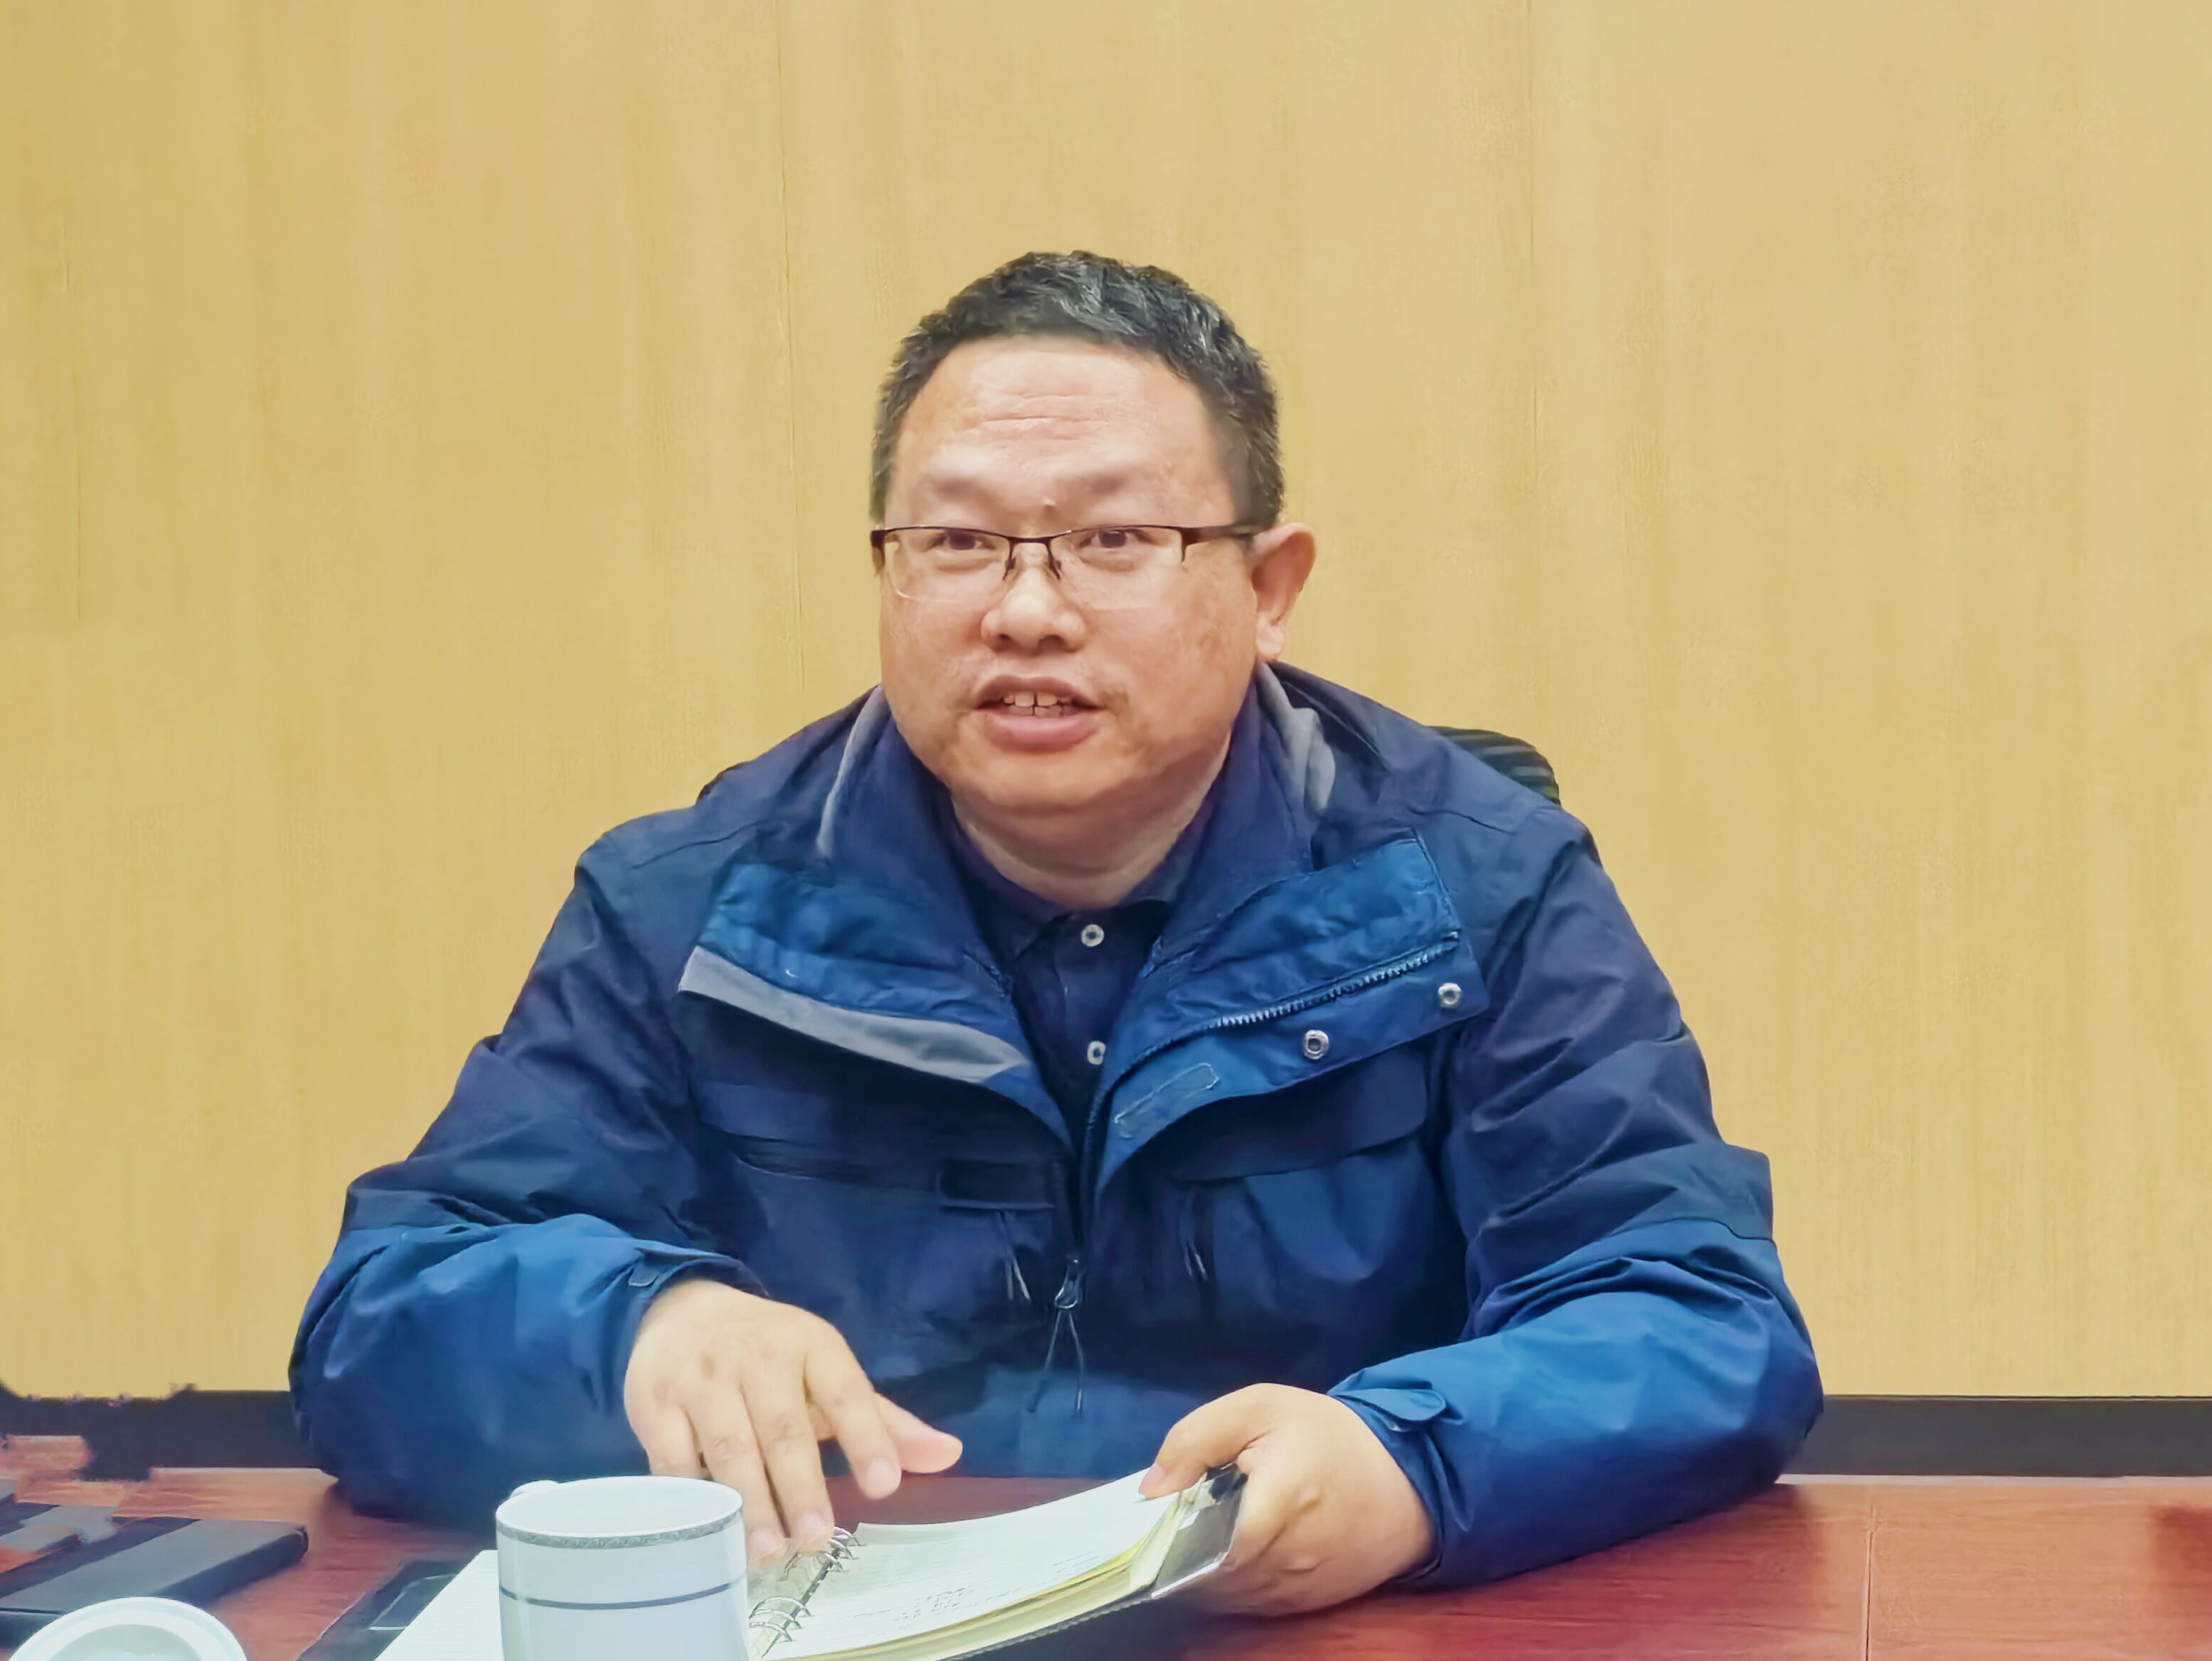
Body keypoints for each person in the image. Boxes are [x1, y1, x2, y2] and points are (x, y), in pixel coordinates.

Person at [292, 251, 1821, 1613]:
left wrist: (1407, 1466)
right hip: (846, 1609)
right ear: (886, 572)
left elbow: (1693, 1313)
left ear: (1268, 586)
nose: (1025, 612)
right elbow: (382, 1313)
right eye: (957, 543)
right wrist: (635, 1326)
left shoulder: (1479, 885)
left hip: (1301, 1617)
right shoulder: (692, 905)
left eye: (1112, 539)